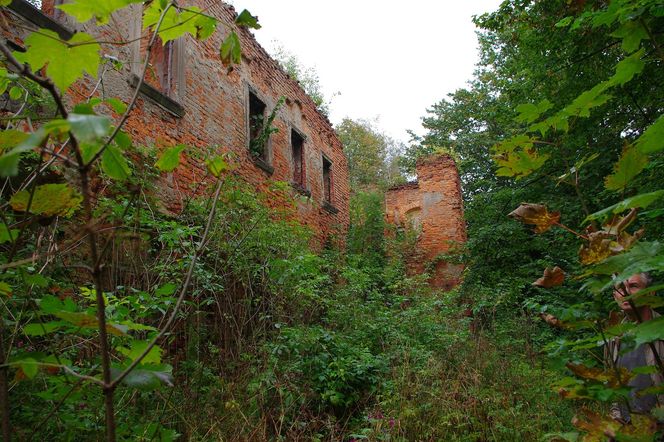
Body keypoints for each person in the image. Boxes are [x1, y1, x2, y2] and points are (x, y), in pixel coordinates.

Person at [606, 272, 664, 424]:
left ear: (650, 292)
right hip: (627, 430)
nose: (625, 292)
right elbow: (614, 389)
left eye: (633, 286)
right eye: (621, 287)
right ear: (615, 296)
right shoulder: (614, 338)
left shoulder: (661, 331)